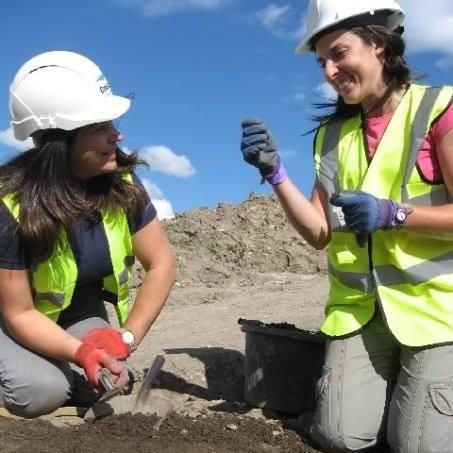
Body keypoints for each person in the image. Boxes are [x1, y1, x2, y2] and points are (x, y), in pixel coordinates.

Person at [240, 1, 453, 451]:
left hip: (438, 314)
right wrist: (276, 174)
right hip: (361, 314)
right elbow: (320, 232)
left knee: (416, 446)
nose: (330, 71)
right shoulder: (332, 136)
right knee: (338, 436)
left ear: (378, 44)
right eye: (322, 62)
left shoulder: (438, 110)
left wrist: (392, 214)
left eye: (339, 53)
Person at [0, 51, 176, 417]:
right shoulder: (11, 205)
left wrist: (124, 339)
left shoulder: (121, 185)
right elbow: (18, 312)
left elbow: (161, 264)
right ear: (59, 140)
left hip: (70, 309)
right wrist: (79, 351)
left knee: (111, 375)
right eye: (99, 127)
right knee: (41, 393)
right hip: (10, 316)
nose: (117, 134)